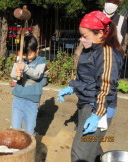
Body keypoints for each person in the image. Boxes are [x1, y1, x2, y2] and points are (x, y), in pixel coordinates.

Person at [57, 11, 124, 161]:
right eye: (81, 35)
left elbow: (106, 86)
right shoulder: (90, 49)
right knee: (92, 148)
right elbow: (85, 75)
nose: (82, 40)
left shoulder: (107, 53)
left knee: (80, 153)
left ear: (100, 33)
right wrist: (72, 87)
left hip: (98, 107)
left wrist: (97, 115)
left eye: (85, 36)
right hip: (86, 103)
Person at [10, 35, 46, 135]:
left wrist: (25, 68)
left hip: (32, 100)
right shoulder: (20, 61)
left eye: (29, 54)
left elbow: (37, 75)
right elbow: (12, 74)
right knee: (15, 128)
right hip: (18, 98)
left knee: (29, 130)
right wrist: (16, 73)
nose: (27, 57)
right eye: (24, 54)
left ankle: (29, 149)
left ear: (37, 50)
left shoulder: (41, 61)